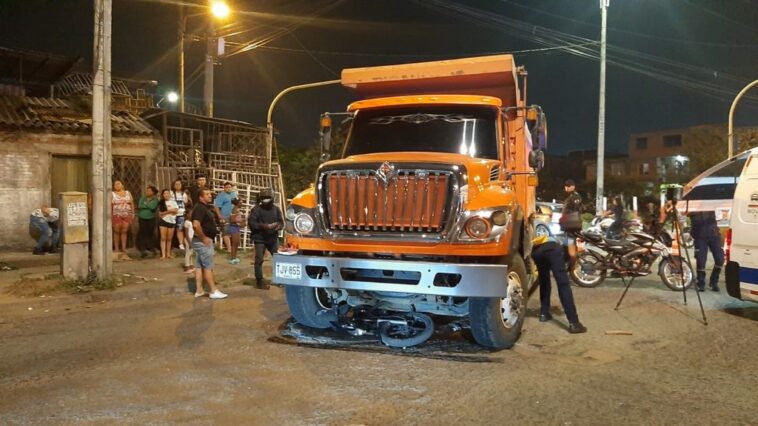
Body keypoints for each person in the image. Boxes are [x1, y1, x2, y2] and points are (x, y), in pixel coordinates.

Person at [531, 234, 587, 334]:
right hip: (553, 251)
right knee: (563, 285)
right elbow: (572, 254)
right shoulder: (570, 234)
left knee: (544, 281)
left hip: (537, 251)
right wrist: (572, 266)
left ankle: (544, 313)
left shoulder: (556, 233)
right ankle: (574, 323)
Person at [191, 188, 227, 299]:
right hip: (202, 241)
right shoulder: (200, 208)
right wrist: (204, 238)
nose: (210, 196)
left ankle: (199, 290)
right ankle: (213, 290)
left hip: (200, 241)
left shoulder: (204, 208)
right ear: (201, 197)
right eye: (207, 194)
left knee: (199, 266)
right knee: (208, 266)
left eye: (210, 194)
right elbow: (196, 225)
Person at [248, 189, 283, 289]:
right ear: (260, 199)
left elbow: (281, 222)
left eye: (267, 198)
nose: (266, 200)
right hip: (260, 239)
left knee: (278, 259)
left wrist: (278, 226)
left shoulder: (276, 209)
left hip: (272, 238)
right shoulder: (256, 209)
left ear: (272, 198)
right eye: (263, 198)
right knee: (259, 260)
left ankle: (280, 279)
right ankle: (259, 281)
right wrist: (264, 226)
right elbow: (252, 223)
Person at [690, 210, 724, 292]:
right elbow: (684, 214)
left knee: (720, 259)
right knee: (701, 261)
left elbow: (719, 216)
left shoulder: (711, 204)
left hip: (714, 235)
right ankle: (701, 283)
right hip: (700, 237)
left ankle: (714, 282)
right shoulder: (693, 206)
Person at [111, 179, 135, 260]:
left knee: (124, 231)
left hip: (126, 214)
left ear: (122, 185)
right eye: (115, 184)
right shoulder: (112, 194)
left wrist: (132, 213)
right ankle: (117, 248)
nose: (117, 185)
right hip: (116, 214)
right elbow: (110, 205)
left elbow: (131, 203)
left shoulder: (128, 193)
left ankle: (124, 248)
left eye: (118, 184)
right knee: (116, 231)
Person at [561, 179, 583, 261]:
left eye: (568, 186)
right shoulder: (570, 196)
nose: (566, 188)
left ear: (573, 186)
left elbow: (575, 211)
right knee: (566, 247)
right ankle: (567, 264)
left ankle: (572, 268)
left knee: (571, 249)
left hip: (572, 225)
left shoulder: (575, 197)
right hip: (568, 225)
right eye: (566, 186)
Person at [214, 182, 238, 254]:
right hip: (225, 216)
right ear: (224, 188)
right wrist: (220, 216)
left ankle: (233, 248)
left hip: (233, 216)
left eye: (229, 187)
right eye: (226, 187)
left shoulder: (234, 194)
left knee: (234, 232)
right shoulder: (221, 196)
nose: (228, 188)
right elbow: (217, 207)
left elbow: (236, 204)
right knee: (226, 233)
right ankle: (229, 249)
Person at [137, 185, 160, 258]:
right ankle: (142, 249)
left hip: (151, 218)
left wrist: (146, 204)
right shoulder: (143, 198)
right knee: (142, 232)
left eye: (149, 191)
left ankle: (151, 247)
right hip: (142, 217)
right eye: (147, 190)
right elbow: (140, 205)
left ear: (153, 192)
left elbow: (153, 207)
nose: (147, 192)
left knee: (151, 232)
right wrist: (148, 205)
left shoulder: (155, 200)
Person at [157, 189, 179, 260]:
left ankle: (168, 253)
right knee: (163, 238)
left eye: (167, 193)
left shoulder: (173, 202)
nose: (166, 195)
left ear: (170, 194)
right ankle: (163, 254)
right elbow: (160, 214)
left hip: (172, 221)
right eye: (164, 194)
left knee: (169, 239)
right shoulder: (161, 203)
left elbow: (175, 211)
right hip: (163, 221)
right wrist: (170, 211)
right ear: (163, 195)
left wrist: (166, 212)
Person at [170, 179, 190, 250]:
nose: (177, 186)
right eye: (176, 184)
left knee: (180, 229)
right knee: (171, 229)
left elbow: (186, 203)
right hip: (171, 214)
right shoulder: (171, 193)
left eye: (179, 184)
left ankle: (181, 244)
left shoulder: (184, 194)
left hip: (181, 214)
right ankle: (170, 244)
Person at [227, 198, 243, 264]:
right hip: (233, 227)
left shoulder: (237, 209)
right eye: (241, 202)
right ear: (237, 203)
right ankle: (232, 258)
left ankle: (235, 257)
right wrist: (241, 221)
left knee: (236, 243)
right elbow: (232, 219)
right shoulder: (235, 210)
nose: (242, 204)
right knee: (234, 244)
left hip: (236, 227)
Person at [182, 209, 195, 274]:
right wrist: (189, 242)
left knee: (191, 253)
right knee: (188, 253)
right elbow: (186, 234)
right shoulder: (186, 222)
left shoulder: (192, 222)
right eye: (191, 214)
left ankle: (191, 265)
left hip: (192, 239)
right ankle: (187, 266)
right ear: (187, 215)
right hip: (188, 239)